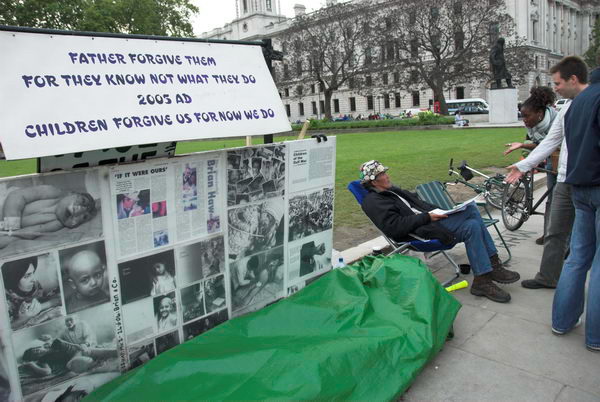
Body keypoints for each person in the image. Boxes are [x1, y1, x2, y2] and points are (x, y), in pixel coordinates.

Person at [360, 160, 519, 303]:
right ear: (373, 181)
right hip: (421, 232)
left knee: (473, 226)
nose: (387, 176)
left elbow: (420, 204)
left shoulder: (393, 191)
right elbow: (394, 227)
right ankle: (494, 265)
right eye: (382, 174)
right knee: (471, 210)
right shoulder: (373, 201)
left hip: (431, 222)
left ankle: (482, 281)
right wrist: (427, 217)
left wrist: (444, 212)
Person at [505, 56, 589, 289]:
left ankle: (576, 276)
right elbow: (551, 142)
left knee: (584, 237)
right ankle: (548, 277)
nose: (556, 89)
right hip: (565, 179)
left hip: (590, 183)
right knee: (555, 231)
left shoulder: (592, 103)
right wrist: (523, 166)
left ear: (573, 79)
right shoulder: (568, 108)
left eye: (558, 83)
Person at [551, 60, 600, 352]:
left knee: (577, 258)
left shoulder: (574, 104)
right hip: (593, 185)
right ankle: (595, 337)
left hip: (579, 188)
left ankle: (562, 321)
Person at [504, 86, 558, 244]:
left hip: (561, 162)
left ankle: (559, 236)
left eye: (527, 116)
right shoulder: (533, 125)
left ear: (540, 114)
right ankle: (549, 233)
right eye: (522, 116)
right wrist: (522, 146)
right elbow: (536, 144)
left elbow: (550, 144)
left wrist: (525, 148)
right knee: (552, 199)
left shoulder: (556, 121)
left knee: (560, 201)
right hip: (549, 161)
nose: (524, 120)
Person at [0, 185, 96, 249]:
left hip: (7, 228)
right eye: (83, 201)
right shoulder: (52, 192)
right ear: (72, 193)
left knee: (11, 238)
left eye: (84, 217)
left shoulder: (57, 224)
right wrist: (11, 226)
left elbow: (29, 233)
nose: (80, 210)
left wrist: (10, 234)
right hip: (5, 205)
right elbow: (17, 195)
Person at [2, 256, 61, 329]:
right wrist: (23, 319)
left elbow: (41, 299)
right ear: (14, 279)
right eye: (27, 276)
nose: (34, 279)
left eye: (33, 273)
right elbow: (5, 329)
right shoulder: (3, 302)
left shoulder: (35, 285)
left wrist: (51, 302)